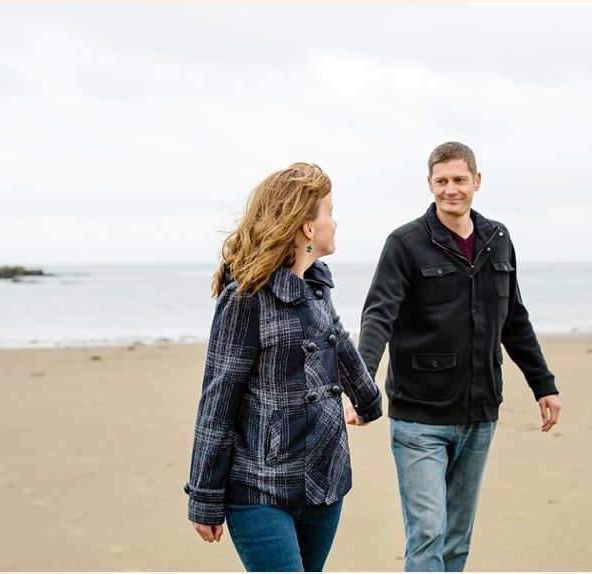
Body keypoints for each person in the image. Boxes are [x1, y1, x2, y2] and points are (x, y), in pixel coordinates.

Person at [357, 142, 561, 572]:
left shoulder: (498, 240)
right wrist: (362, 382)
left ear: (477, 181)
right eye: (442, 181)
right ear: (429, 184)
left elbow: (515, 320)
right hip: (418, 417)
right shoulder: (405, 244)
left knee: (456, 541)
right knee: (428, 532)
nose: (451, 190)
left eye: (460, 180)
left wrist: (544, 384)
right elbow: (379, 314)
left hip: (479, 414)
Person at [185, 162, 383, 572]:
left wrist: (367, 401)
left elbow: (339, 343)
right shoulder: (246, 298)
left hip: (325, 480)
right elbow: (218, 399)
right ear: (308, 227)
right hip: (260, 487)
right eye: (328, 212)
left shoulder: (316, 286)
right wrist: (204, 494)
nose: (334, 222)